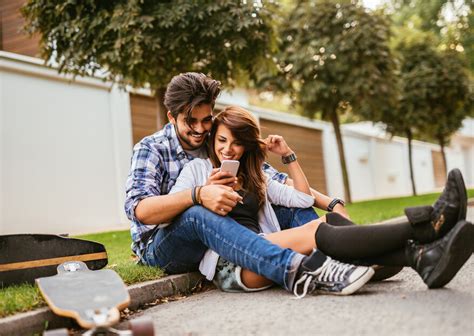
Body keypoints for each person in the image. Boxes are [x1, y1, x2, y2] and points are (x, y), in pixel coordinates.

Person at [167, 106, 473, 297]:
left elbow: (301, 198)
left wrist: (287, 155)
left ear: (247, 147)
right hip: (232, 264)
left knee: (332, 221)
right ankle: (427, 224)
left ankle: (422, 259)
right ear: (213, 141)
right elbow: (174, 210)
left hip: (267, 244)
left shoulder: (257, 177)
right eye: (222, 141)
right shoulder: (196, 170)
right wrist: (205, 192)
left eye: (236, 143)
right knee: (318, 229)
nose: (229, 150)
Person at [125, 72, 372, 297]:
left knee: (284, 206)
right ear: (171, 117)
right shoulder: (152, 148)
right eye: (191, 121)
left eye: (206, 120)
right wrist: (199, 194)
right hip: (163, 247)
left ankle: (346, 253)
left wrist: (332, 203)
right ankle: (301, 267)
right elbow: (140, 211)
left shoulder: (217, 140)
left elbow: (272, 180)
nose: (200, 129)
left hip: (217, 239)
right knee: (196, 213)